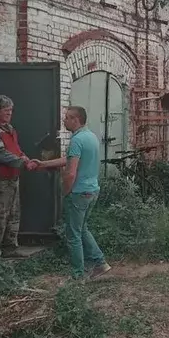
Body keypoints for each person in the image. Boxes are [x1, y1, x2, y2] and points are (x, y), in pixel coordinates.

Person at [0, 95, 39, 257]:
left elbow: (15, 148)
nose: (9, 114)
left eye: (11, 111)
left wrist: (24, 157)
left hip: (12, 178)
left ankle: (9, 248)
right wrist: (23, 162)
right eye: (6, 111)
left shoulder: (9, 128)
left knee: (13, 214)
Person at [59, 106, 110, 280]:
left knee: (73, 235)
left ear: (76, 120)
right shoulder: (91, 137)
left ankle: (78, 276)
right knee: (82, 229)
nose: (64, 120)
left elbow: (71, 172)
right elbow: (70, 160)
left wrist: (65, 191)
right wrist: (43, 164)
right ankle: (100, 263)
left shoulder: (76, 141)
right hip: (92, 190)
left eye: (67, 117)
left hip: (79, 193)